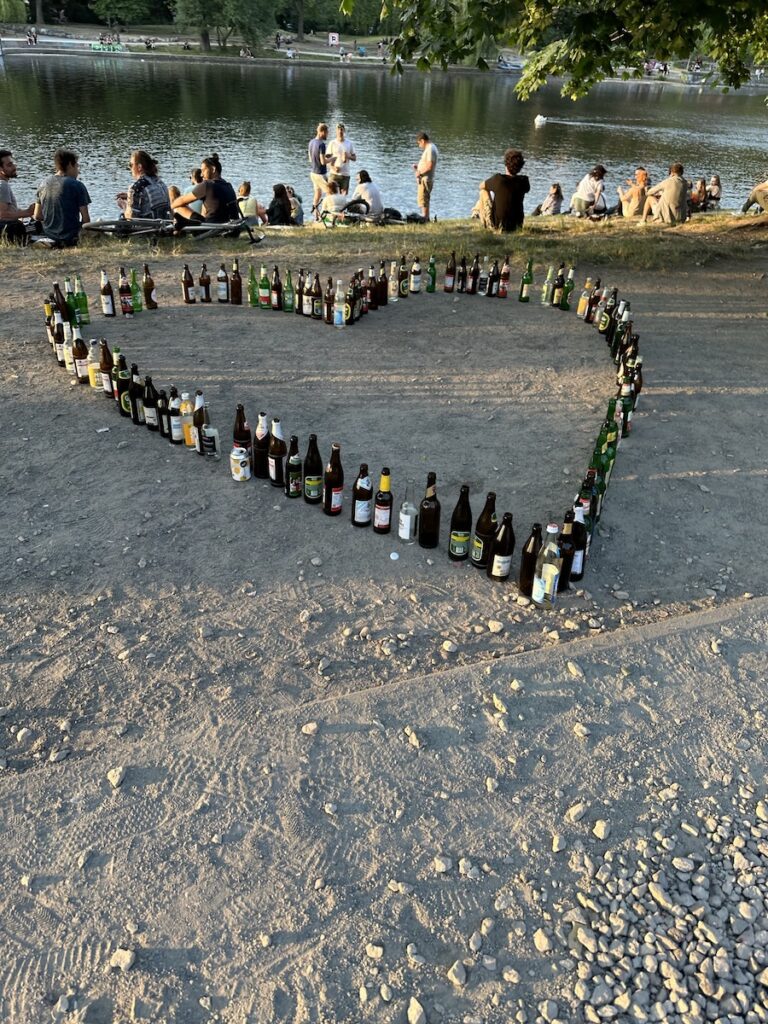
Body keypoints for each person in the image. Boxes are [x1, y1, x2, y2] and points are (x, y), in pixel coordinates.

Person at [33, 149, 91, 246]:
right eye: (76, 166)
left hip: (48, 234)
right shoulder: (77, 185)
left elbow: (37, 215)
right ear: (69, 165)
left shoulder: (43, 183)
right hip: (70, 236)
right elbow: (86, 220)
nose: (78, 171)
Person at [171, 154, 238, 224]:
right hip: (230, 227)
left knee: (178, 207)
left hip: (212, 228)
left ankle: (176, 230)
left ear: (213, 169)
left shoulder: (207, 184)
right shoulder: (228, 185)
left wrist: (170, 207)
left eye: (203, 170)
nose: (201, 175)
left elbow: (182, 201)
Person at [476, 148, 530, 232]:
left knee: (483, 192)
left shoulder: (498, 179)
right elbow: (526, 189)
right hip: (517, 225)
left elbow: (481, 186)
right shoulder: (524, 181)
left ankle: (481, 218)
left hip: (497, 225)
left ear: (506, 164)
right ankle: (475, 212)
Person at [116, 149, 170, 220]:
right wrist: (129, 197)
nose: (130, 168)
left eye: (131, 165)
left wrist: (124, 205)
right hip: (163, 226)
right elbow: (148, 198)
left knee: (121, 217)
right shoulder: (160, 183)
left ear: (139, 167)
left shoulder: (135, 188)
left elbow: (131, 218)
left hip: (145, 229)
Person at [0, 149, 35, 244]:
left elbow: (7, 210)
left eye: (13, 164)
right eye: (9, 165)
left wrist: (25, 211)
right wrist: (28, 212)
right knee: (37, 225)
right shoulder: (3, 185)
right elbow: (3, 215)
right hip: (8, 229)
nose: (14, 167)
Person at [412, 130, 438, 220]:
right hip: (425, 178)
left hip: (425, 179)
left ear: (422, 141)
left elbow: (430, 165)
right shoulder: (431, 147)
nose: (419, 146)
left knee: (424, 200)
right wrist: (418, 166)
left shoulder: (430, 149)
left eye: (419, 143)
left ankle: (425, 218)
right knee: (424, 199)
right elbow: (427, 164)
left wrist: (419, 172)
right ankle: (426, 217)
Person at [325, 123, 356, 195]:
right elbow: (326, 159)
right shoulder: (332, 143)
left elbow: (354, 158)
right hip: (334, 174)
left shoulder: (349, 143)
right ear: (336, 131)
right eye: (338, 130)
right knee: (330, 194)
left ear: (344, 131)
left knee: (344, 196)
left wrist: (348, 156)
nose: (340, 132)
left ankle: (342, 206)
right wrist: (332, 167)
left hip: (345, 174)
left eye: (341, 130)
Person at [308, 122, 330, 220]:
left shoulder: (311, 142)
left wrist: (325, 157)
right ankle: (323, 215)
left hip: (313, 173)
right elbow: (323, 161)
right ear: (322, 132)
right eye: (326, 133)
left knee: (317, 194)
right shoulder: (322, 144)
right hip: (320, 174)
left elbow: (310, 158)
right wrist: (332, 159)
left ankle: (316, 216)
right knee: (330, 193)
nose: (327, 135)